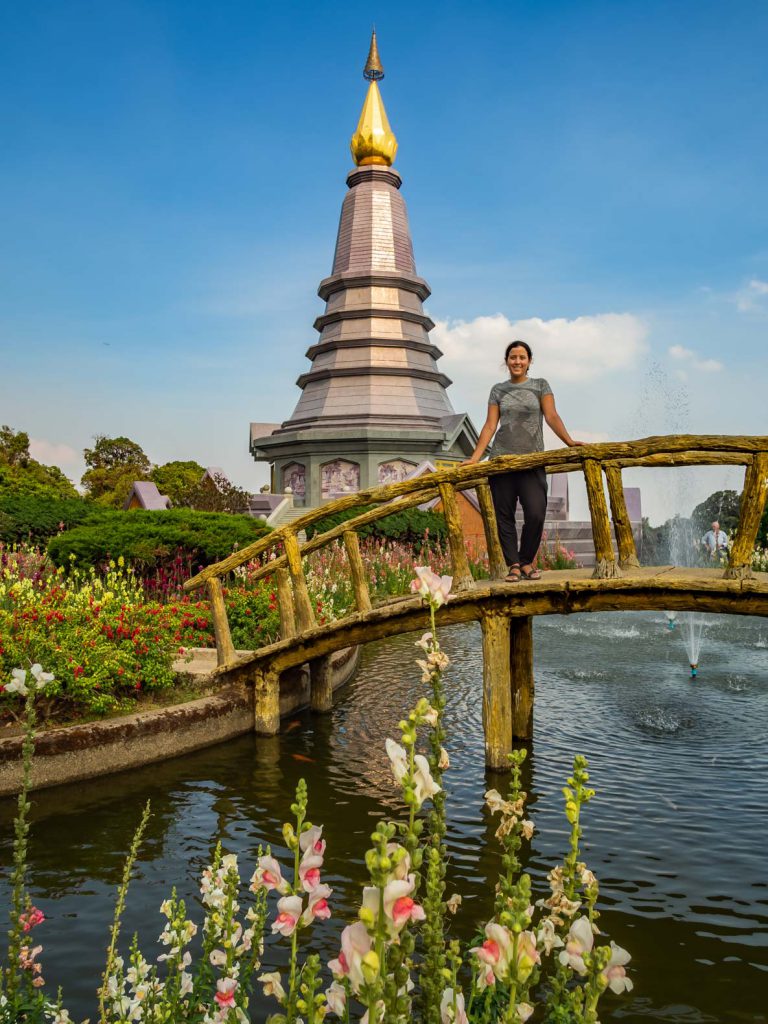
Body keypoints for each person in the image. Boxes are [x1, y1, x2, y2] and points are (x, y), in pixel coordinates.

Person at [464, 340, 583, 581]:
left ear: (529, 361)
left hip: (531, 461)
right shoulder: (498, 390)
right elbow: (490, 425)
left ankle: (526, 560)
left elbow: (551, 416)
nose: (517, 361)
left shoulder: (540, 386)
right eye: (512, 357)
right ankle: (514, 566)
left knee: (536, 512)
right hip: (501, 461)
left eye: (522, 357)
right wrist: (475, 459)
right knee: (504, 515)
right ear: (506, 361)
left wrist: (569, 441)